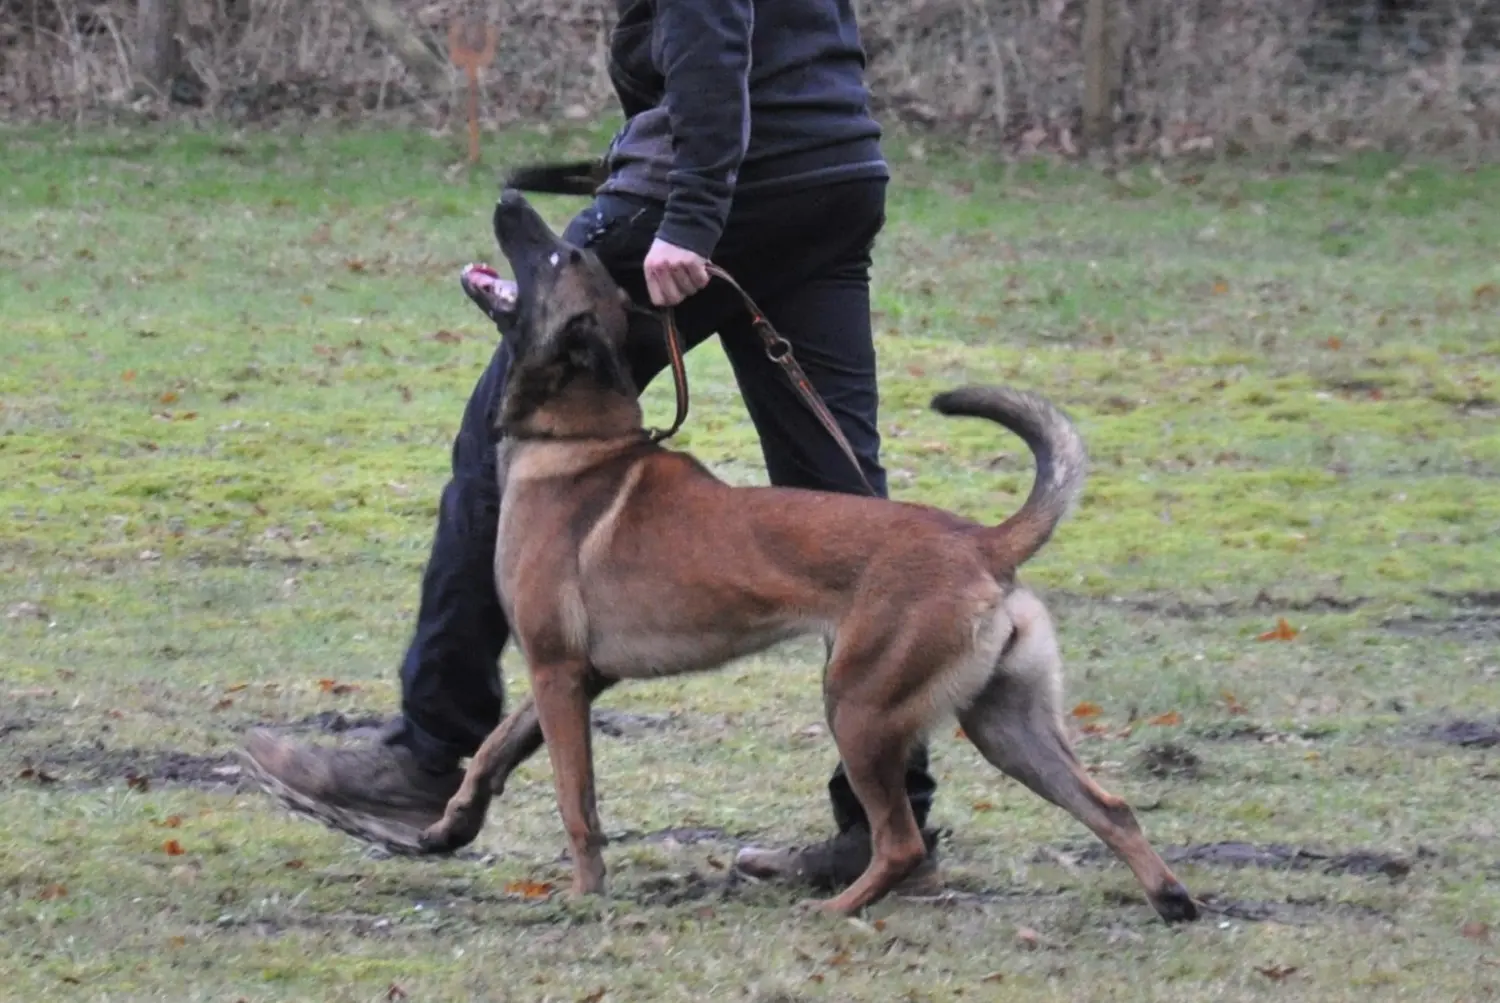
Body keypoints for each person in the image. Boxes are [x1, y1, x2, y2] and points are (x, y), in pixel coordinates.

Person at [244, 0, 942, 894]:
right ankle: (887, 822)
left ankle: (428, 753)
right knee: (843, 492)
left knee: (516, 426)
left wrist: (690, 208)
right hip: (833, 172)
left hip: (720, 185)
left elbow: (709, 20)